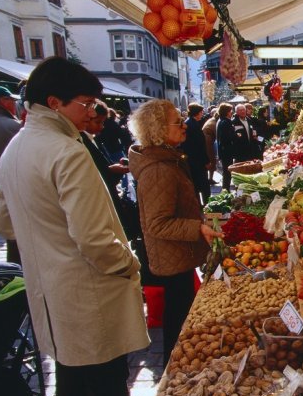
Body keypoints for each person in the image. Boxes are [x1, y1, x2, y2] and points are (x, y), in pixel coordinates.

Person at [0, 56, 150, 396]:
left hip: (50, 292)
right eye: (86, 103)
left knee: (72, 384)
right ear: (55, 102)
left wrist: (43, 238)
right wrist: (129, 263)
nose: (92, 112)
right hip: (89, 291)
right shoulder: (66, 152)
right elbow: (96, 240)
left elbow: (4, 223)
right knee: (103, 391)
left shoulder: (16, 149)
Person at [127, 99, 222, 363]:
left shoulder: (167, 160)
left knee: (180, 310)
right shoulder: (158, 169)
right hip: (173, 256)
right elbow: (157, 223)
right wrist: (198, 227)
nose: (185, 127)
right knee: (178, 315)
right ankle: (176, 368)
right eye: (177, 122)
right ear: (157, 129)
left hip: (178, 253)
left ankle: (178, 362)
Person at [81, 101, 140, 241]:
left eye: (103, 122)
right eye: (98, 122)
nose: (101, 127)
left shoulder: (90, 139)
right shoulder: (82, 141)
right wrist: (111, 171)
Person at [0, 86, 22, 181]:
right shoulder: (13, 125)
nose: (15, 103)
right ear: (3, 101)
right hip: (17, 181)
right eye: (12, 100)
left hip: (1, 182)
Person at [179, 102, 210, 205]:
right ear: (197, 113)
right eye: (201, 112)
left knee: (198, 184)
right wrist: (206, 160)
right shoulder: (191, 125)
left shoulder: (191, 123)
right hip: (196, 160)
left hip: (194, 159)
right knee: (201, 184)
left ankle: (202, 204)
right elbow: (198, 145)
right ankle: (205, 204)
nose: (202, 114)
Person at [215, 102, 235, 191]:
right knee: (227, 172)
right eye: (231, 111)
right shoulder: (226, 122)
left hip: (224, 150)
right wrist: (236, 135)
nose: (232, 112)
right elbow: (226, 137)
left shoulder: (221, 120)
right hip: (227, 151)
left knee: (226, 172)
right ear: (227, 112)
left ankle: (225, 189)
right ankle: (225, 190)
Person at [202, 107, 219, 185]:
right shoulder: (214, 122)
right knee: (211, 159)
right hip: (207, 141)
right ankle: (209, 179)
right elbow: (218, 134)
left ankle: (209, 178)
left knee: (210, 159)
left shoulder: (211, 120)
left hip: (207, 140)